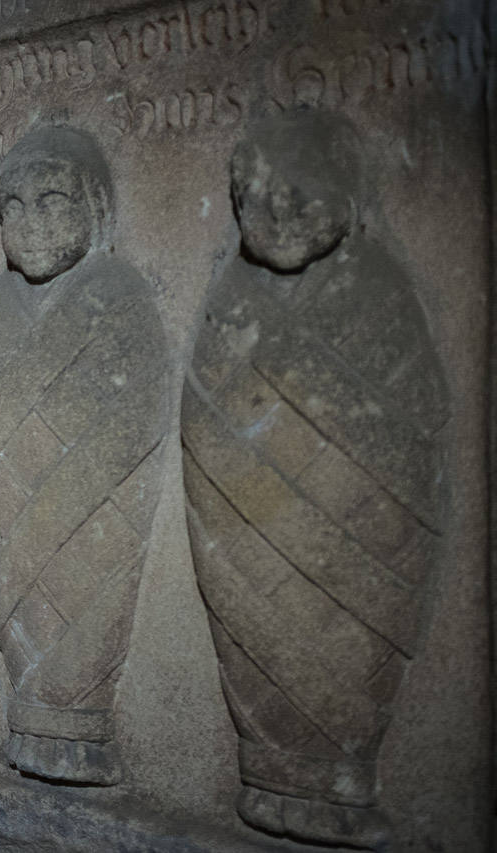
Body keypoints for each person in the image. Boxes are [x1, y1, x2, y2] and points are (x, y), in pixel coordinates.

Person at [182, 109, 447, 849]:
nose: (274, 212)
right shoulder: (229, 300)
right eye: (252, 196)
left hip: (355, 549)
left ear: (351, 196)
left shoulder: (381, 295)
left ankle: (340, 767)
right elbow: (206, 448)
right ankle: (276, 765)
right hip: (246, 545)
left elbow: (410, 461)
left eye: (300, 191)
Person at [0, 127, 169, 785]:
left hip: (91, 523)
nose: (29, 224)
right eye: (12, 207)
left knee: (84, 614)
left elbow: (135, 428)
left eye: (53, 199)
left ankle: (77, 718)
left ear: (94, 204)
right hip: (9, 527)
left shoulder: (119, 294)